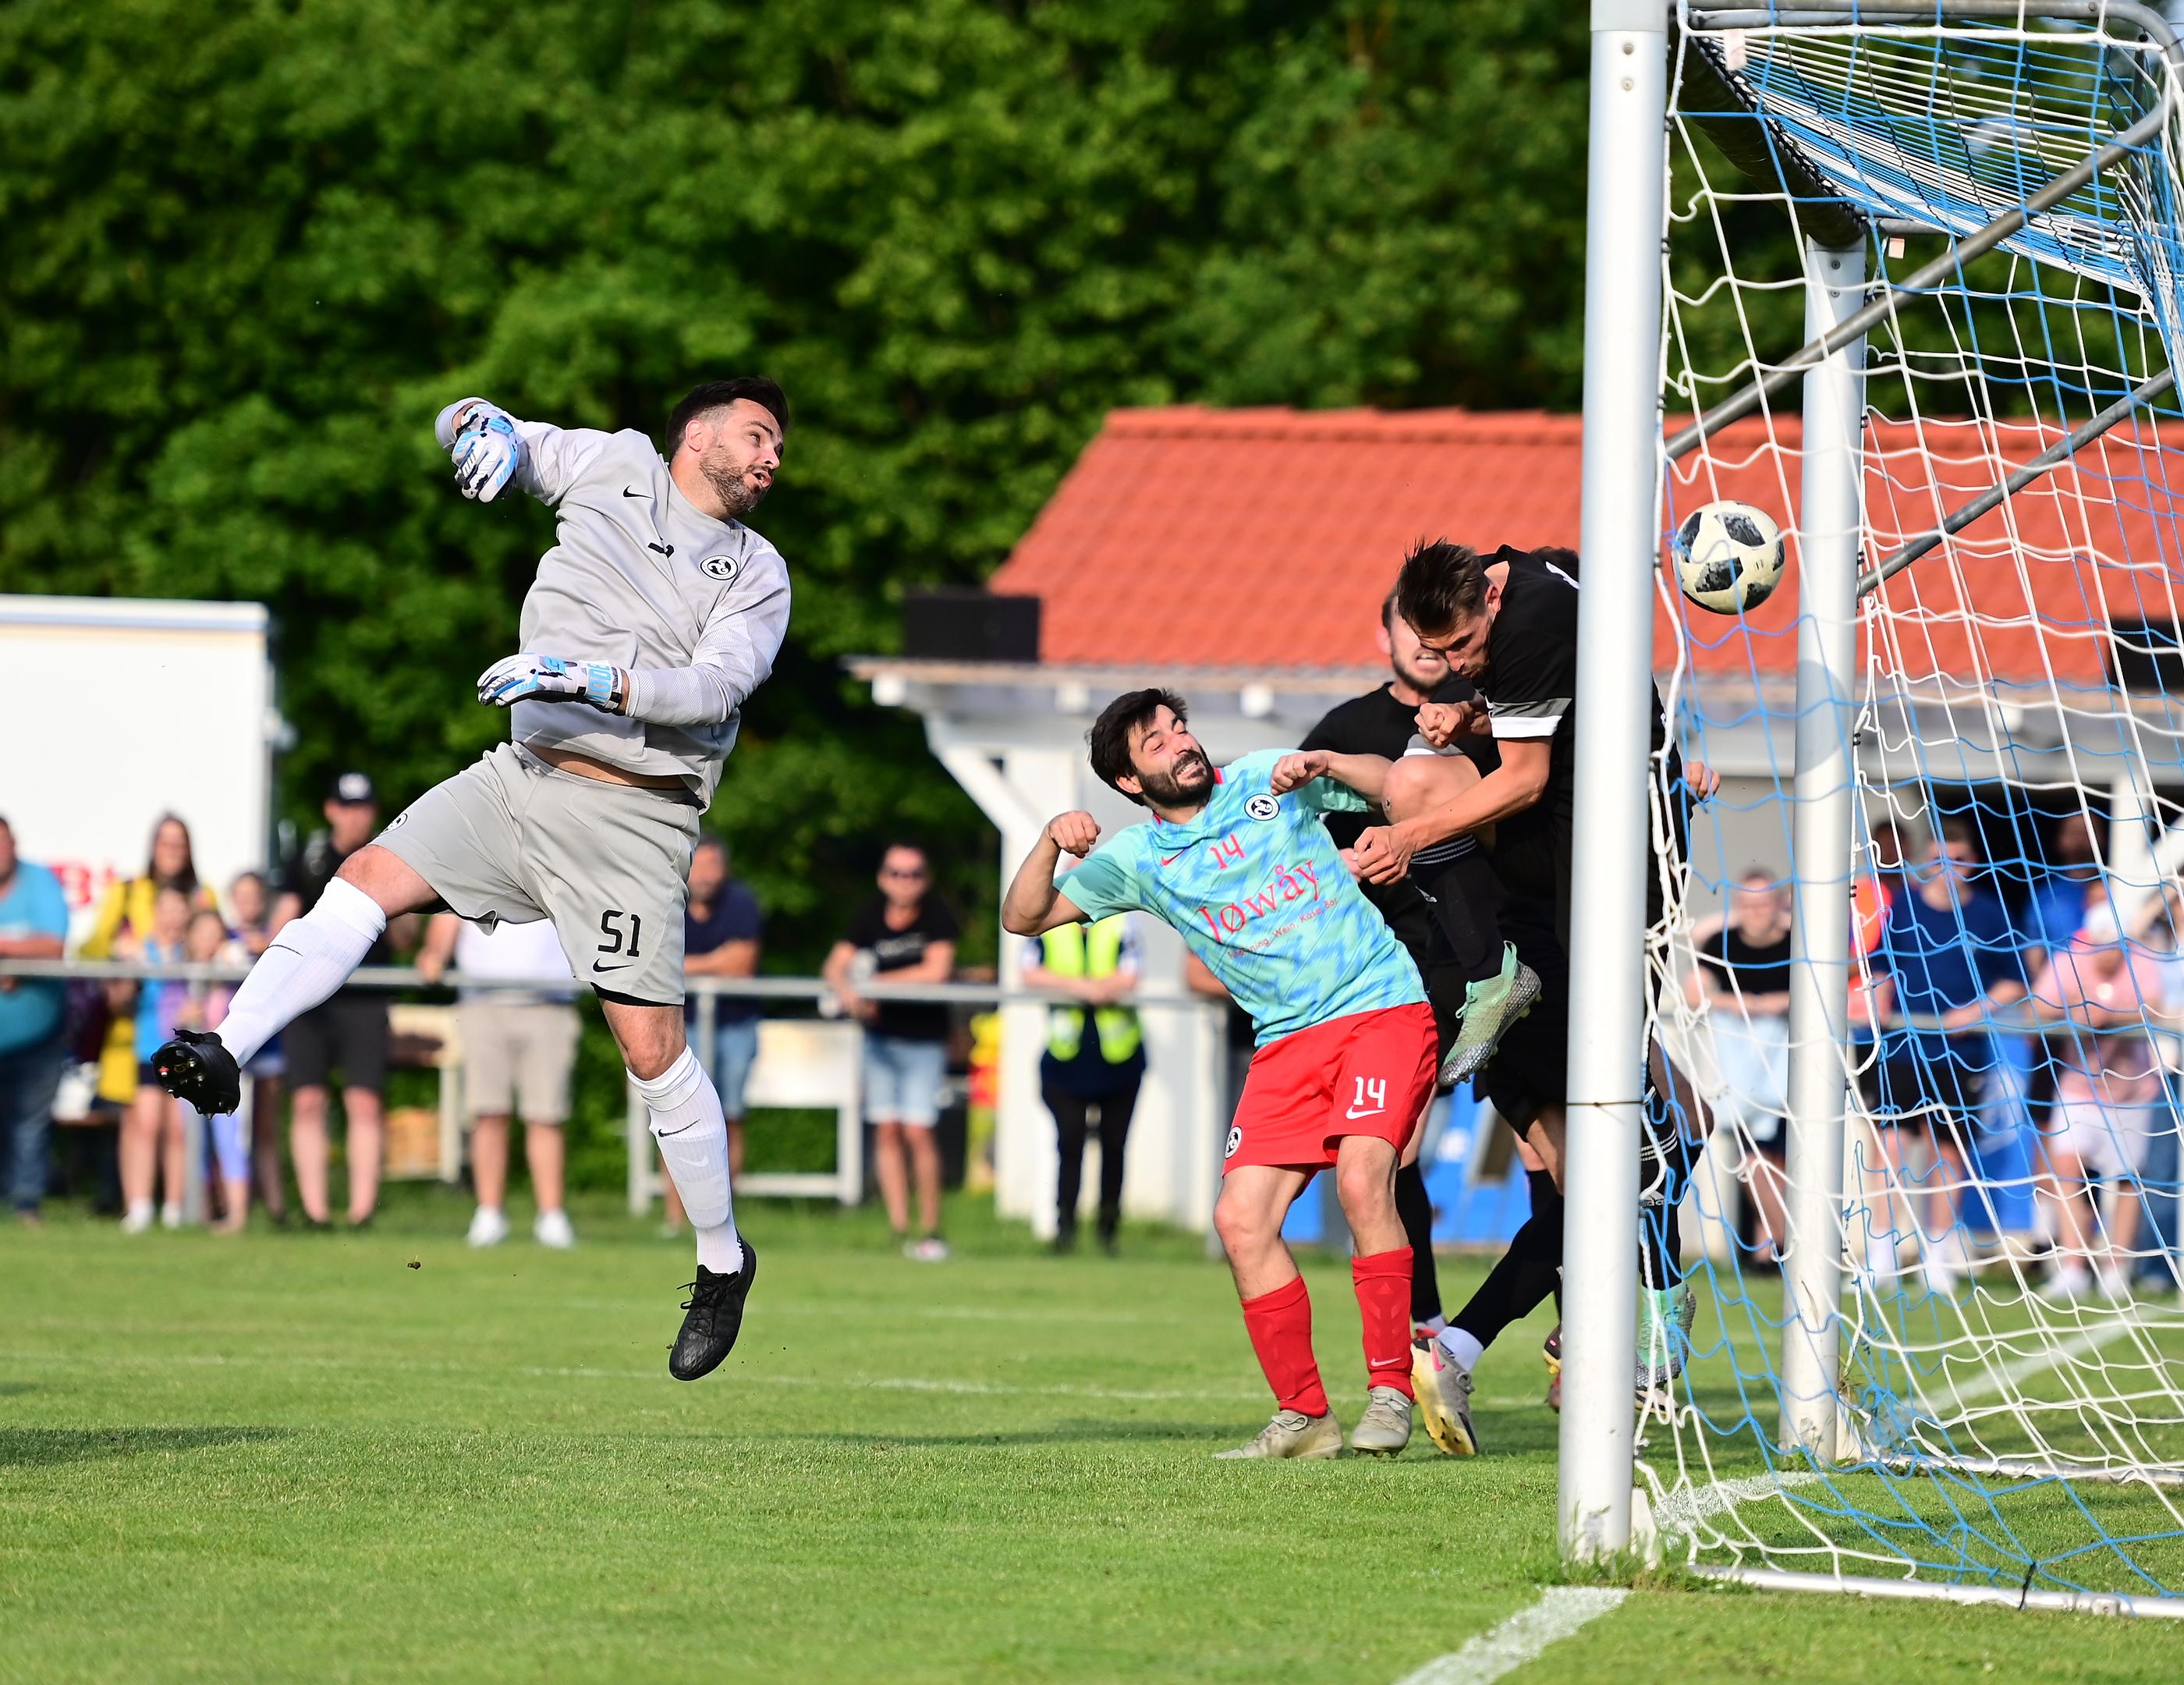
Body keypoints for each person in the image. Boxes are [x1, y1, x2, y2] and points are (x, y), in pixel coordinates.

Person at [153, 376, 791, 1383]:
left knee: (651, 1051)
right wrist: (475, 426)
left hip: (636, 812)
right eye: (757, 437)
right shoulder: (613, 459)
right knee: (365, 875)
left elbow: (715, 688)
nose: (771, 458)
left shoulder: (757, 569)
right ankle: (226, 1049)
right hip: (522, 777)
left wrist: (590, 680)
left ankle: (721, 1262)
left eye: (777, 447)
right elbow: (469, 418)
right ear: (696, 435)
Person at [1003, 690, 1438, 1460]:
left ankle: (1391, 1392)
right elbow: (1024, 918)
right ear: (1129, 782)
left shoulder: (1268, 777)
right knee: (1240, 1221)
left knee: (1362, 1182)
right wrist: (1047, 841)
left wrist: (1328, 763)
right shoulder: (1138, 859)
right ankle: (1304, 1417)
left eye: (1179, 728)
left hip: (1379, 1007)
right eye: (1156, 742)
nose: (1181, 743)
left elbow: (1398, 786)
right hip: (1286, 1043)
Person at [1353, 540, 1715, 1450]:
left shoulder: (1530, 629)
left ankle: (1490, 1342)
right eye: (1438, 655)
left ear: (1490, 597)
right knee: (1622, 1162)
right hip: (1531, 939)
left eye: (1464, 647)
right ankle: (1614, 1327)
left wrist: (1410, 833)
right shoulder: (1529, 578)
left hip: (1596, 890)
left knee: (1649, 1144)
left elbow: (1524, 777)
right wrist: (1338, 758)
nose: (1456, 666)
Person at [1296, 589, 1533, 1344]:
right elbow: (1296, 839)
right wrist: (1347, 866)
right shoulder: (1346, 730)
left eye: (1442, 634)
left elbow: (1540, 791)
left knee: (1549, 1151)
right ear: (1386, 637)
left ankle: (1576, 1340)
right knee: (1391, 1149)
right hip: (1398, 969)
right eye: (1412, 628)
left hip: (1509, 940)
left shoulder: (1492, 706)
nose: (1429, 645)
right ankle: (1426, 1327)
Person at [1862, 819, 2030, 1294]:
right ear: (1924, 861)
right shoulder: (1904, 907)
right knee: (1892, 1145)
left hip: (1960, 1053)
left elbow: (2015, 980)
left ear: (1972, 862)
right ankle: (1882, 1251)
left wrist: (1972, 1013)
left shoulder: (1990, 914)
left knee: (1946, 1150)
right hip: (1901, 1047)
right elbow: (1880, 968)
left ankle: (1937, 1253)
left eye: (1957, 859)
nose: (1948, 868)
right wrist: (1877, 1002)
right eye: (1939, 858)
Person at [2026, 902, 2168, 1301]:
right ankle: (2073, 1265)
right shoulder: (2069, 959)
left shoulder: (2141, 961)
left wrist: (2108, 1016)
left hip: (2131, 1090)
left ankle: (2116, 1269)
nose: (2106, 953)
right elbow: (2037, 1008)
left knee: (2127, 1180)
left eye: (2113, 945)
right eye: (2099, 944)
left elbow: (2154, 1009)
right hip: (2078, 1087)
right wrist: (2074, 1011)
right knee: (2066, 1170)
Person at [825, 842, 959, 1260]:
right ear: (883, 878)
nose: (906, 882)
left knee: (919, 1132)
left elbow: (937, 971)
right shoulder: (869, 916)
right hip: (880, 1041)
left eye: (915, 874)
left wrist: (875, 986)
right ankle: (899, 1230)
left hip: (923, 1042)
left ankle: (931, 1229)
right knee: (886, 1130)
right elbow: (836, 964)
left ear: (926, 879)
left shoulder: (936, 916)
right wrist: (849, 992)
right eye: (898, 873)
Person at [274, 773, 395, 1230]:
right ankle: (315, 1213)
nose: (355, 816)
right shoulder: (308, 860)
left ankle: (362, 1213)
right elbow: (284, 925)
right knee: (308, 1100)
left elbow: (404, 936)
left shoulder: (390, 857)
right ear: (331, 810)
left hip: (366, 997)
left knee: (365, 1102)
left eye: (363, 806)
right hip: (309, 996)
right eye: (347, 806)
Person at [417, 912, 581, 1249]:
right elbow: (447, 920)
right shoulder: (472, 875)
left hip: (549, 1002)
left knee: (546, 1115)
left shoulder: (559, 875)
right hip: (482, 1003)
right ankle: (489, 1214)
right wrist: (434, 953)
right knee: (487, 1112)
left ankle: (552, 1216)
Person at [81, 815, 219, 1121]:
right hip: (135, 1027)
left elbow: (216, 945)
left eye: (179, 842)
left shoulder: (203, 895)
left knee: (180, 1128)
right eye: (165, 842)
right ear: (154, 846)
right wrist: (118, 947)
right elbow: (90, 948)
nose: (172, 849)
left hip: (187, 1027)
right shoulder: (127, 891)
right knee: (139, 1125)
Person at [1688, 869, 1794, 1263]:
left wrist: (1773, 1004)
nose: (1755, 912)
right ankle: (1784, 1243)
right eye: (1747, 904)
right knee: (1753, 1162)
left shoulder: (1796, 942)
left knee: (1779, 1163)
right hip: (1743, 1072)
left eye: (1764, 903)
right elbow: (1694, 992)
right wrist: (1742, 1005)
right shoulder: (1722, 942)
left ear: (1779, 904)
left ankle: (1774, 1244)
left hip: (1787, 1067)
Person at [1022, 913, 1144, 1252]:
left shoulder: (1122, 922)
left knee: (1114, 1146)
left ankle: (1108, 1232)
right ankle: (1065, 1231)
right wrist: (1082, 988)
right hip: (1066, 1056)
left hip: (1119, 1055)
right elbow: (1029, 972)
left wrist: (1098, 989)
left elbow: (1132, 973)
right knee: (1069, 1142)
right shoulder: (1048, 924)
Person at [679, 836, 763, 1215]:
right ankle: (677, 1218)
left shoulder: (741, 902)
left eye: (713, 865)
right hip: (681, 1029)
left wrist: (684, 965)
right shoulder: (668, 900)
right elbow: (655, 963)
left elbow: (742, 965)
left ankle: (725, 1216)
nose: (705, 875)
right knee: (679, 1122)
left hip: (735, 1025)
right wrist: (718, 960)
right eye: (699, 865)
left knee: (730, 1117)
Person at [0, 816, 69, 1226]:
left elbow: (53, 946)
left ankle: (27, 1204)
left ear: (14, 845)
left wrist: (7, 952)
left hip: (37, 1036)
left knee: (29, 1123)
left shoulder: (40, 883)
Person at [120, 887, 197, 1232]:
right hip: (148, 1049)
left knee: (178, 1130)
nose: (173, 917)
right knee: (146, 1126)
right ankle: (139, 1205)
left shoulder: (191, 952)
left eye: (179, 909)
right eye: (167, 909)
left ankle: (174, 1207)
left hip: (183, 1052)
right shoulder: (140, 950)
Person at [177, 908, 250, 1233]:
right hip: (190, 1074)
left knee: (230, 1140)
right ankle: (200, 1212)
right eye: (202, 933)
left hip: (226, 1073)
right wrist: (182, 1019)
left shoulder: (234, 977)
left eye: (214, 933)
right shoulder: (180, 978)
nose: (208, 940)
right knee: (195, 1144)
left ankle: (237, 1215)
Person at [227, 871, 289, 1223]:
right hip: (232, 1046)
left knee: (266, 1129)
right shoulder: (222, 939)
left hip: (267, 1045)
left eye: (254, 896)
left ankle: (275, 1206)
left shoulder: (278, 941)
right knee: (231, 1129)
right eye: (242, 896)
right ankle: (232, 1205)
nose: (248, 903)